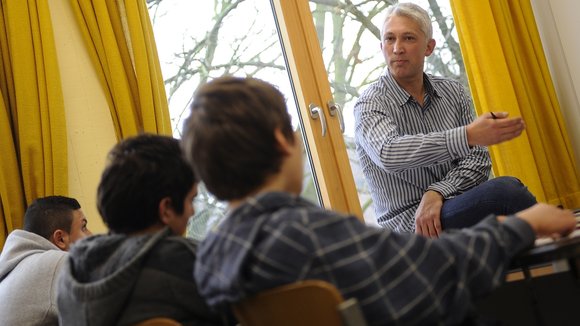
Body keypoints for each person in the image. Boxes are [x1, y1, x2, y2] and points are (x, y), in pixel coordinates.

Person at [181, 76, 576, 325]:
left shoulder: (211, 256)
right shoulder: (312, 234)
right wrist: (524, 225)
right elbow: (434, 270)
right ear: (284, 141)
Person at [354, 2, 537, 237]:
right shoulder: (369, 103)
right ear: (382, 47)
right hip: (411, 226)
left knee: (509, 203)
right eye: (390, 39)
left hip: (454, 203)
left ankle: (560, 254)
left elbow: (478, 160)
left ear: (429, 47)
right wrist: (468, 136)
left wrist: (437, 192)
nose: (397, 48)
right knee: (505, 192)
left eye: (408, 38)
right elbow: (389, 153)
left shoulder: (453, 92)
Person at [57, 134, 228, 325]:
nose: (192, 211)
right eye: (191, 200)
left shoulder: (72, 270)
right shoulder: (184, 260)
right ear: (166, 209)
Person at [0, 196, 91, 326]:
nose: (91, 235)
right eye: (83, 227)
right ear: (60, 239)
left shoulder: (14, 268)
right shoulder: (57, 263)